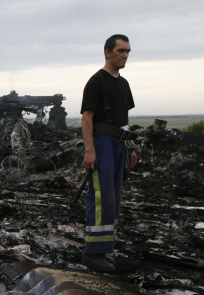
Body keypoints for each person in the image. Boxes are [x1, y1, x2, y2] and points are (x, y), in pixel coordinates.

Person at [80, 34, 139, 272]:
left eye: (127, 52)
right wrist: (89, 151)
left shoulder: (123, 84)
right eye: (121, 51)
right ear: (107, 52)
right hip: (101, 143)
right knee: (100, 196)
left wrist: (131, 145)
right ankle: (92, 253)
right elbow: (87, 118)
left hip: (118, 143)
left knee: (113, 196)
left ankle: (104, 249)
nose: (125, 55)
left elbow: (123, 120)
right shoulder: (96, 81)